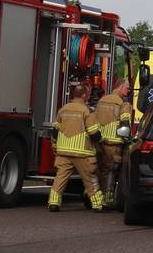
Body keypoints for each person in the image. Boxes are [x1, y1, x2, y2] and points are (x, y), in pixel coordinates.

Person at [48, 84, 105, 212]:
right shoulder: (87, 111)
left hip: (64, 151)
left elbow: (55, 131)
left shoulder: (63, 109)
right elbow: (93, 133)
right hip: (82, 153)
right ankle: (98, 205)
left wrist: (55, 145)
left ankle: (53, 203)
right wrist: (101, 141)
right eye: (88, 93)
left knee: (60, 178)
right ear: (84, 95)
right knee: (90, 179)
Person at [93, 79, 131, 209]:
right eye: (127, 87)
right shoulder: (123, 104)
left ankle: (91, 197)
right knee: (111, 170)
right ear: (120, 87)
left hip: (99, 142)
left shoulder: (102, 100)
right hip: (114, 144)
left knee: (98, 170)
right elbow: (125, 124)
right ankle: (107, 200)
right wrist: (127, 139)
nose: (129, 90)